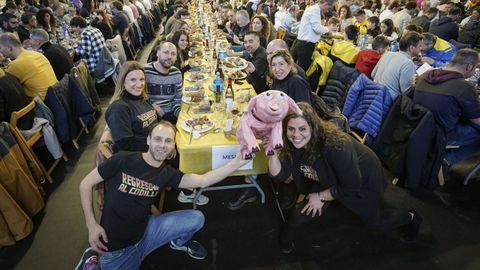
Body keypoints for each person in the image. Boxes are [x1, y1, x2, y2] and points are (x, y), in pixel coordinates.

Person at [76, 120, 252, 270]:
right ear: (148, 140)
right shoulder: (123, 159)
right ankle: (91, 262)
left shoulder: (166, 173)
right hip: (117, 250)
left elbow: (203, 180)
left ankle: (178, 243)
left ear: (173, 146)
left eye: (168, 141)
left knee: (196, 218)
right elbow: (85, 184)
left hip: (146, 232)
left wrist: (238, 161)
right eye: (158, 139)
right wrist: (91, 225)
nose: (162, 145)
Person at [268, 102, 422, 253]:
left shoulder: (336, 145)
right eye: (291, 129)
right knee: (301, 214)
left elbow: (352, 185)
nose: (296, 135)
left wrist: (321, 196)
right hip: (326, 176)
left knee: (375, 222)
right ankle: (287, 237)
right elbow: (279, 175)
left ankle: (411, 217)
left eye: (302, 129)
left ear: (313, 127)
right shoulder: (291, 142)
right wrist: (272, 155)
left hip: (362, 177)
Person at [413, 49, 480, 165]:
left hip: (421, 127)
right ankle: (445, 161)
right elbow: (477, 120)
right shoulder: (464, 87)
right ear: (469, 67)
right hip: (442, 134)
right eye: (476, 68)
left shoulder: (424, 75)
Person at [105, 61, 158, 153]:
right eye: (133, 80)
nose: (139, 84)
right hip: (142, 158)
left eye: (142, 79)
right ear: (123, 81)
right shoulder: (118, 109)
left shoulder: (142, 98)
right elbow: (126, 147)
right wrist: (160, 147)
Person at [0, 33, 57, 100]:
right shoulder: (37, 54)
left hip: (41, 105)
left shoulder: (15, 65)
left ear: (9, 48)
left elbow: (6, 84)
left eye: (0, 48)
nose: (0, 51)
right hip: (56, 95)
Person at [372, 31, 423, 99]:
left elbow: (372, 75)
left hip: (372, 95)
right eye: (420, 46)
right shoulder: (407, 63)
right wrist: (419, 82)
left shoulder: (387, 54)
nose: (421, 48)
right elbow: (406, 92)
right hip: (388, 103)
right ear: (411, 48)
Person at [144, 42, 182, 125]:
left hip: (170, 114)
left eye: (173, 54)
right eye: (166, 52)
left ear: (176, 58)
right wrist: (152, 104)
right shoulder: (145, 71)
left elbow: (177, 100)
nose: (169, 56)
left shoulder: (176, 73)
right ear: (157, 53)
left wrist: (180, 116)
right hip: (150, 115)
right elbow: (139, 96)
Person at [295, 0, 334, 71]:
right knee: (303, 70)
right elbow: (317, 28)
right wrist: (328, 30)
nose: (327, 11)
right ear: (325, 4)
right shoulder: (315, 10)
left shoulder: (313, 9)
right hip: (305, 45)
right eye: (328, 8)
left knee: (303, 69)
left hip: (304, 43)